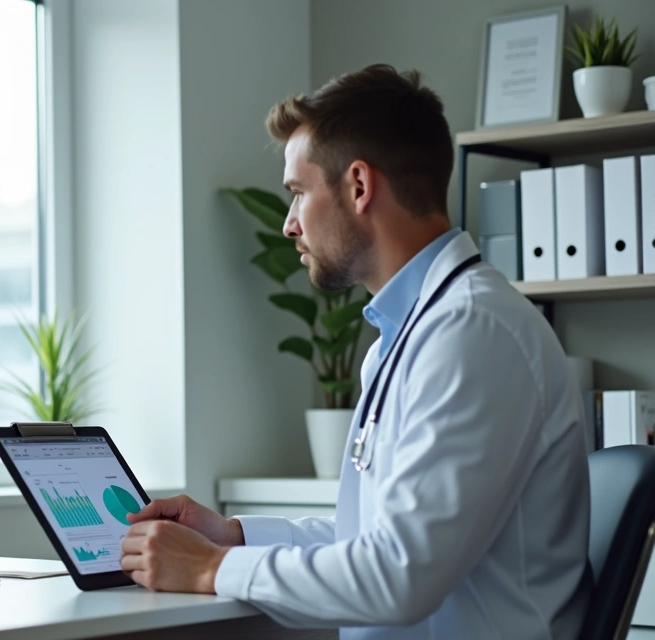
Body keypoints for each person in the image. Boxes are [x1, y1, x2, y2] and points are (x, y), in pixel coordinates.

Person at [119, 64, 590, 638]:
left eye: (297, 194)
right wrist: (234, 536)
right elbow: (368, 538)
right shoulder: (412, 335)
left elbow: (397, 575)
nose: (290, 225)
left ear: (359, 187)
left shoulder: (471, 332)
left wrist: (213, 569)